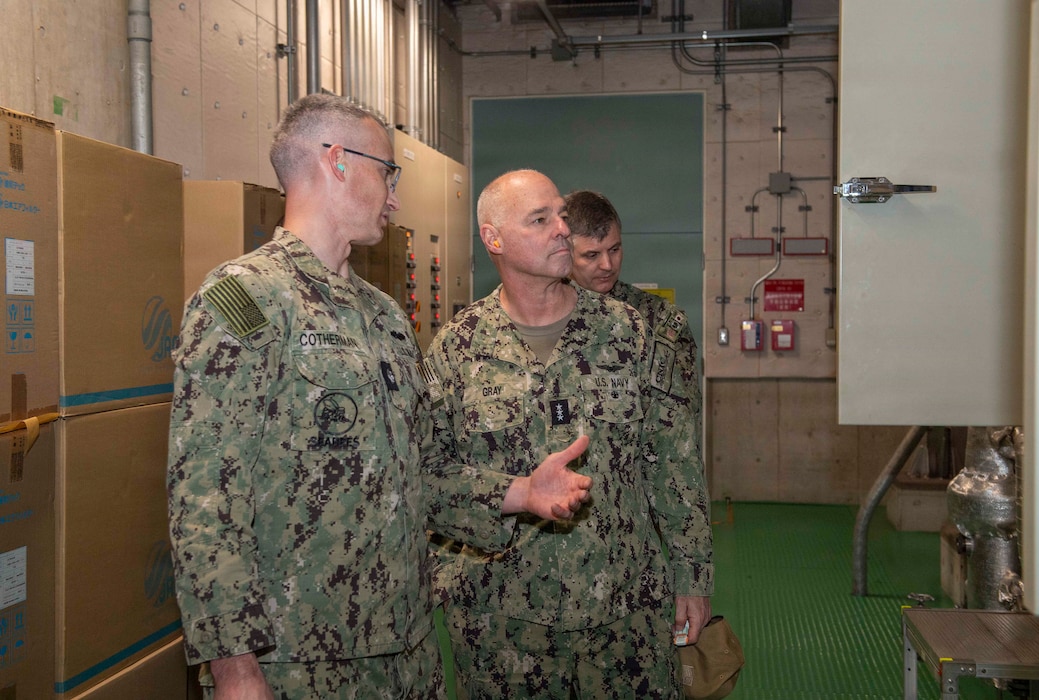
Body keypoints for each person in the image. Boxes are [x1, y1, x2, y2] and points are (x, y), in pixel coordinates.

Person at [167, 96, 592, 700]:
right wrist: (235, 668)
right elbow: (206, 502)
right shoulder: (244, 302)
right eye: (388, 173)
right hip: (297, 661)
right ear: (337, 161)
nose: (395, 197)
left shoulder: (384, 316)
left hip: (407, 651)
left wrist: (522, 491)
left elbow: (415, 474)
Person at [423, 170, 714, 699]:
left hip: (626, 613)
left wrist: (693, 576)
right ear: (493, 239)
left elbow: (675, 462)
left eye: (560, 214)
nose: (561, 228)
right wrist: (515, 494)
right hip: (502, 623)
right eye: (540, 219)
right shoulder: (457, 349)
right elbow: (429, 478)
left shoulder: (629, 331)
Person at [564, 188, 702, 423]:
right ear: (564, 252)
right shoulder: (543, 316)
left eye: (614, 250)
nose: (607, 264)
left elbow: (677, 423)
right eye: (592, 255)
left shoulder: (657, 320)